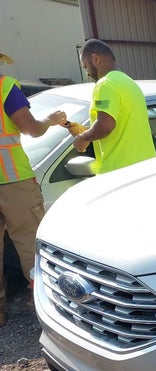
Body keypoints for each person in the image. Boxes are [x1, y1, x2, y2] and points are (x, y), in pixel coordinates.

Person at [0, 55, 67, 327]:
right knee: (32, 246)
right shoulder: (5, 87)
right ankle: (49, 308)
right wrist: (49, 120)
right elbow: (31, 129)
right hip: (13, 180)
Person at [72, 39, 155, 174]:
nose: (87, 73)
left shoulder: (105, 84)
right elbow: (120, 125)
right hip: (145, 168)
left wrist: (84, 137)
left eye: (85, 66)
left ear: (95, 59)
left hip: (119, 171)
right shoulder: (129, 82)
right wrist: (87, 130)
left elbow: (105, 126)